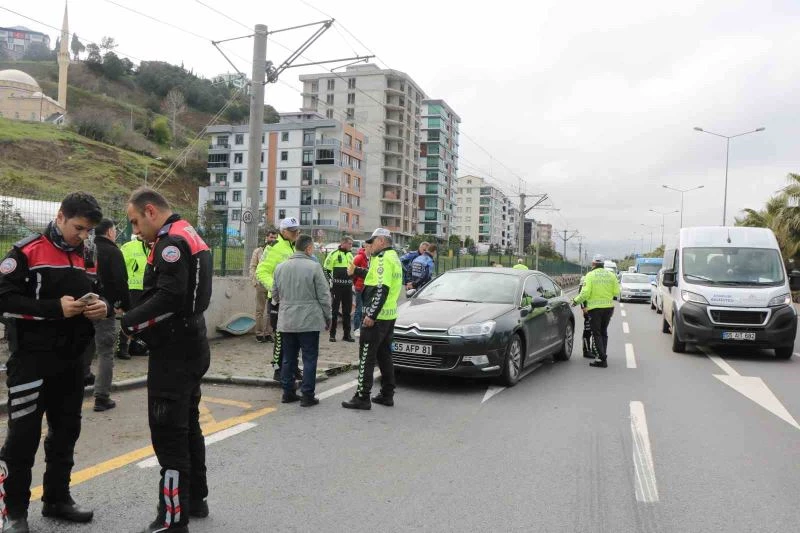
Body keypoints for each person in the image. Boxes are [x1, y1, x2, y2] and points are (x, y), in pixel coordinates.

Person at [0, 192, 106, 532]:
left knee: (66, 434)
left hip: (72, 362)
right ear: (60, 216)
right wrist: (52, 310)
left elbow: (98, 287)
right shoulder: (25, 252)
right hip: (31, 361)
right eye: (79, 228)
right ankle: (13, 511)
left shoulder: (88, 251)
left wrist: (100, 306)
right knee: (22, 439)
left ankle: (57, 499)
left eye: (89, 230)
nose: (84, 236)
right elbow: (2, 300)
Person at [120, 188, 212, 532]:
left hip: (174, 350)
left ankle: (173, 518)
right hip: (192, 343)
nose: (134, 231)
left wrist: (130, 323)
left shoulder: (170, 241)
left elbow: (170, 297)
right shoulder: (189, 231)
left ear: (150, 211)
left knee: (169, 435)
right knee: (189, 426)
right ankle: (196, 498)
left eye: (135, 221)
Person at [342, 228, 403, 410]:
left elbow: (381, 289)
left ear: (382, 241)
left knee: (366, 357)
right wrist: (357, 271)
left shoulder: (383, 259)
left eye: (373, 241)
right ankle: (387, 394)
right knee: (384, 356)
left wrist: (371, 315)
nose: (369, 245)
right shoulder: (393, 258)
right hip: (389, 316)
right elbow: (374, 278)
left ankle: (362, 396)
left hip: (377, 318)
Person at [272, 234, 332, 407]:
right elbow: (324, 295)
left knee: (288, 358)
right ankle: (307, 395)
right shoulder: (314, 267)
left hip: (287, 320)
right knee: (309, 358)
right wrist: (328, 317)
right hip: (309, 320)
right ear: (308, 248)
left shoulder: (280, 267)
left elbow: (275, 295)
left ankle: (288, 392)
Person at [91, 218, 130, 412]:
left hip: (82, 305)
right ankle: (101, 396)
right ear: (108, 232)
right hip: (105, 308)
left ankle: (80, 383)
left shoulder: (86, 249)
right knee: (106, 353)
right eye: (114, 230)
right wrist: (123, 305)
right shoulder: (113, 251)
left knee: (82, 349)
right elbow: (121, 280)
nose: (115, 233)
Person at [256, 218, 300, 382]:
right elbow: (261, 271)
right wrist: (275, 289)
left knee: (295, 336)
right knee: (280, 336)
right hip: (278, 300)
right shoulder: (273, 247)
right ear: (283, 231)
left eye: (297, 230)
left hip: (295, 300)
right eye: (293, 230)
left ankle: (293, 367)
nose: (296, 233)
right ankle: (278, 369)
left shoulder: (296, 247)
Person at [572, 255, 620, 368]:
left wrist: (575, 301)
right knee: (604, 332)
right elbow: (616, 292)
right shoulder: (611, 275)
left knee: (596, 333)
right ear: (603, 264)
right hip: (608, 308)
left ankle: (602, 359)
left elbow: (585, 293)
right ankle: (602, 355)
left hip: (595, 309)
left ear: (593, 264)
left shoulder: (590, 275)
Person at [118, 235, 151, 359]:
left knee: (143, 318)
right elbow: (120, 268)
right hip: (132, 288)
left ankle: (137, 346)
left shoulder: (152, 246)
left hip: (147, 288)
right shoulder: (127, 247)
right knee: (129, 318)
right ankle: (122, 347)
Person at [323, 235, 355, 343]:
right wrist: (330, 283)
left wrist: (353, 281)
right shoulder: (333, 254)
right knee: (335, 311)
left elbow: (353, 270)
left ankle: (347, 335)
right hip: (337, 288)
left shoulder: (351, 255)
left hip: (348, 288)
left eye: (351, 244)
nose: (351, 246)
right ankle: (332, 335)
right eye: (350, 244)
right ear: (343, 243)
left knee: (347, 312)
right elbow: (326, 270)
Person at [251, 230, 277, 343]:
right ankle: (259, 333)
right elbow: (253, 266)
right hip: (261, 284)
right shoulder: (258, 251)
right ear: (266, 238)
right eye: (271, 237)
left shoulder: (277, 251)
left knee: (271, 311)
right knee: (260, 310)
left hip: (273, 285)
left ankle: (268, 333)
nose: (273, 239)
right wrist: (254, 280)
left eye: (275, 238)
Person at [351, 242, 370, 338]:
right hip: (360, 287)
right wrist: (355, 283)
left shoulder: (374, 258)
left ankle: (364, 328)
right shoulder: (359, 257)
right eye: (370, 246)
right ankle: (356, 328)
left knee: (366, 309)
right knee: (359, 308)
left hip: (369, 288)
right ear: (366, 246)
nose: (371, 248)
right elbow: (351, 270)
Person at [578, 275, 593, 358]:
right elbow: (581, 294)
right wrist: (583, 307)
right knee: (588, 330)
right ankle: (586, 350)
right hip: (588, 309)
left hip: (597, 309)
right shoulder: (585, 278)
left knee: (596, 331)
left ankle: (594, 350)